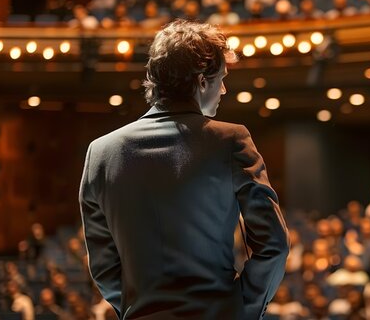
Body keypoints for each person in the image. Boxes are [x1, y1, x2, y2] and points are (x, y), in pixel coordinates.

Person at [79, 20, 289, 319]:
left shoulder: (100, 152)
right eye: (222, 78)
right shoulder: (231, 140)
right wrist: (238, 311)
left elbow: (103, 266)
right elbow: (273, 245)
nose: (224, 88)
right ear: (202, 81)